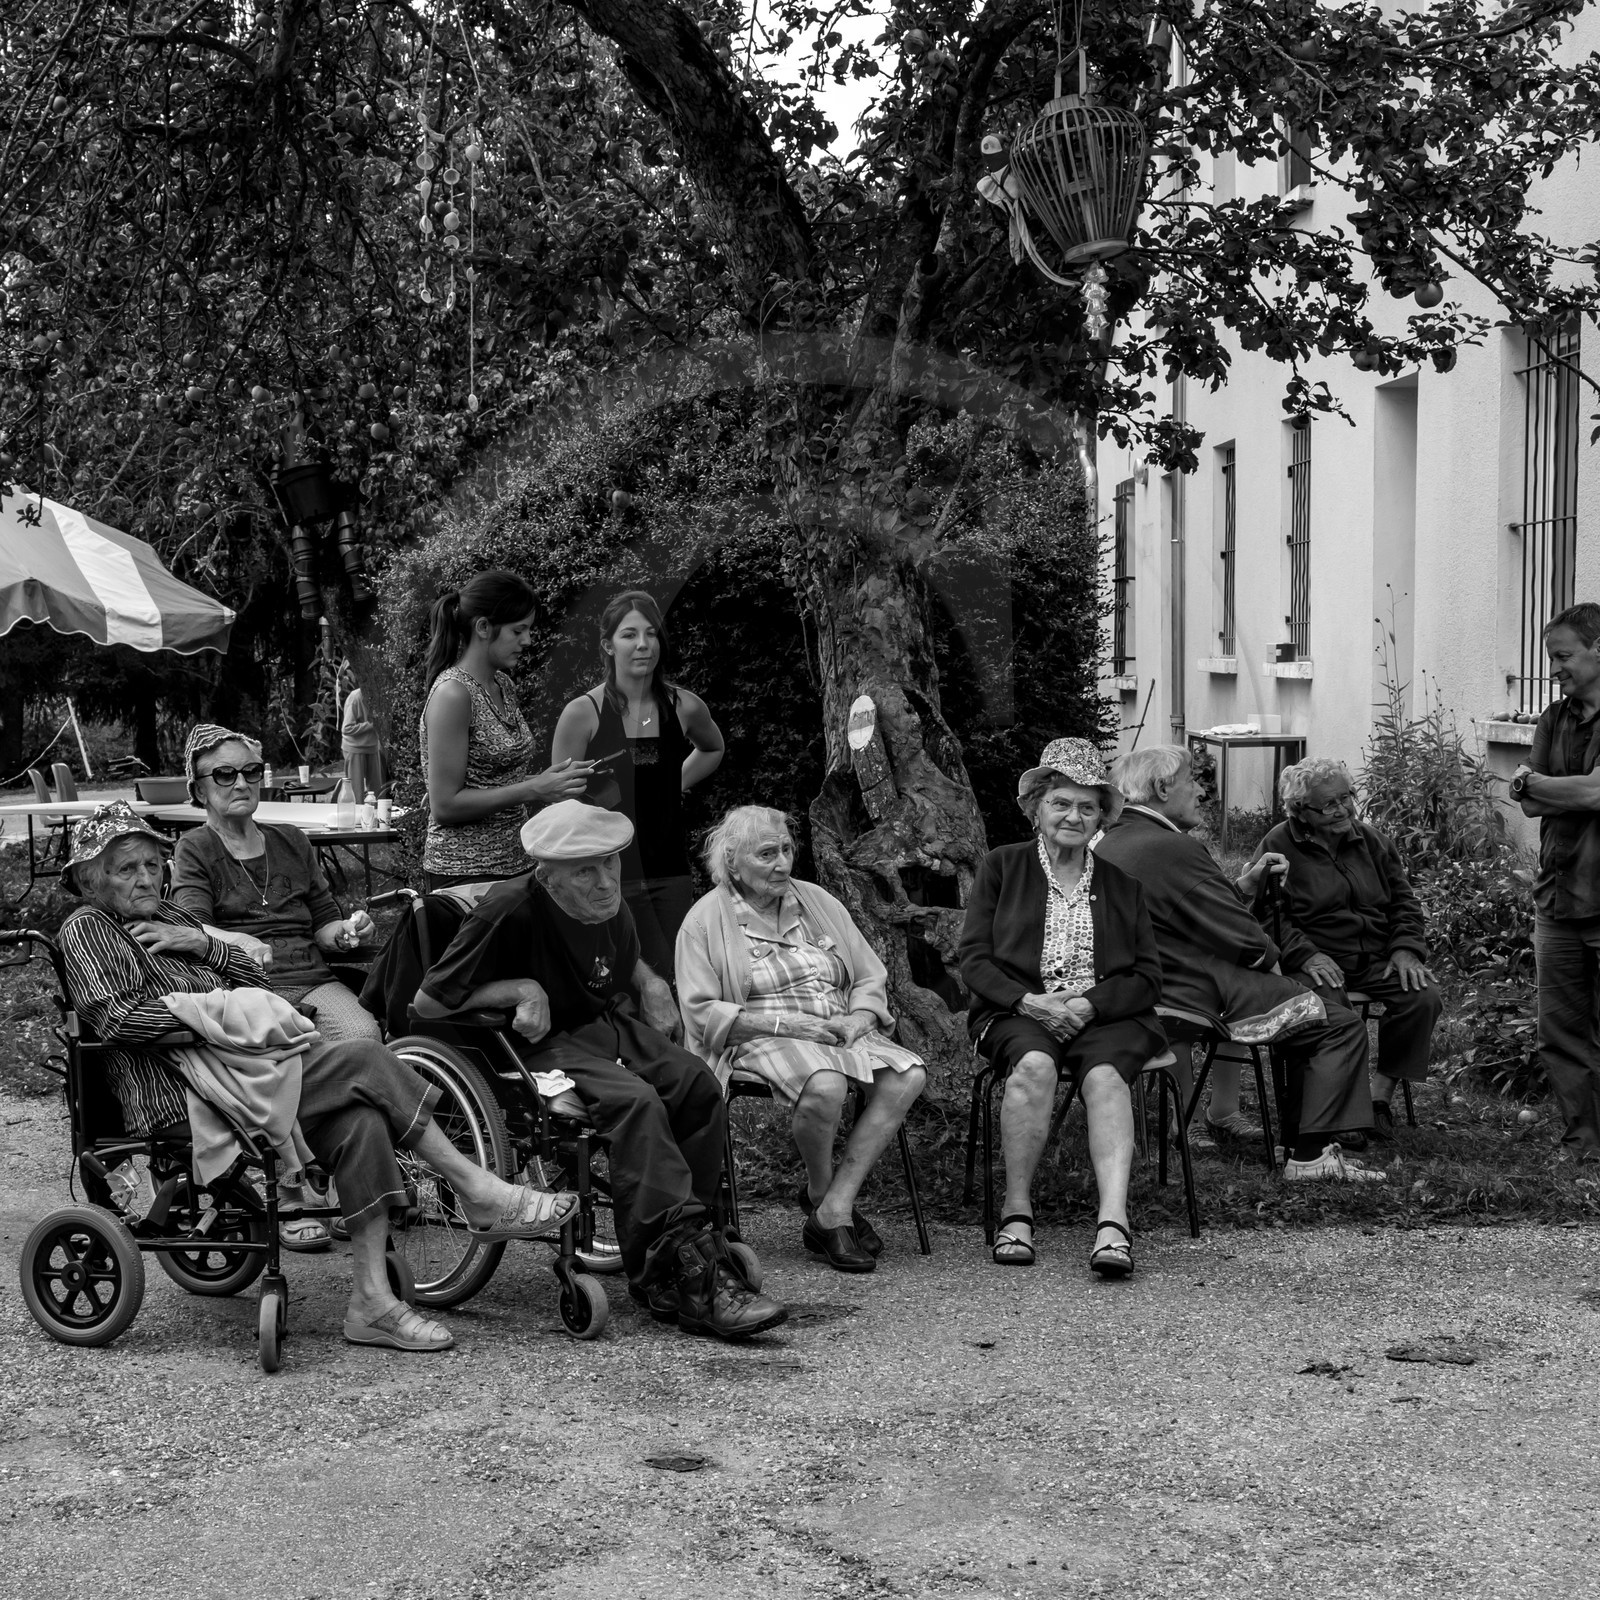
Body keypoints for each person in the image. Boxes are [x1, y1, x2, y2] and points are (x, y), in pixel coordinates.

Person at [57, 801, 579, 1355]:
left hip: (251, 1074)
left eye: (150, 864)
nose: (145, 877)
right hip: (183, 1089)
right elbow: (118, 1016)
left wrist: (204, 944)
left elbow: (256, 970)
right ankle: (475, 1189)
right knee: (364, 1057)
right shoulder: (89, 927)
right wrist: (226, 1019)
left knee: (360, 1122)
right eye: (125, 868)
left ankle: (372, 1303)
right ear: (93, 879)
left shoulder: (171, 917)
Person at [413, 798, 787, 1340]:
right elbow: (429, 1001)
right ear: (547, 875)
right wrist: (521, 987)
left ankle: (687, 1247)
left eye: (610, 862)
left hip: (602, 1023)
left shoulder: (606, 900)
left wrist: (650, 981)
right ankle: (686, 1270)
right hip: (538, 1048)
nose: (606, 879)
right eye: (586, 869)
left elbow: (614, 950)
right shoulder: (508, 910)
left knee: (697, 1084)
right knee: (635, 1103)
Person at [1096, 745, 1385, 1184]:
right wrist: (1272, 963)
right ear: (1160, 788)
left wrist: (1245, 885)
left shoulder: (1116, 838)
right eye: (1193, 780)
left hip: (1144, 985)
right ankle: (1310, 1157)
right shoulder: (1169, 847)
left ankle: (1295, 1138)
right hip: (1192, 989)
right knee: (1337, 1025)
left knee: (1316, 1011)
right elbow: (1239, 934)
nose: (1201, 792)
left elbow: (1191, 910)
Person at [676, 805, 926, 1273]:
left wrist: (861, 1017)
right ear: (732, 862)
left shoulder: (817, 902)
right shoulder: (706, 920)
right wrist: (790, 1027)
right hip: (761, 1032)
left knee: (907, 1074)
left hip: (836, 1027)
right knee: (826, 1083)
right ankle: (820, 1192)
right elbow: (700, 1011)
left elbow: (870, 973)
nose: (783, 863)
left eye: (787, 850)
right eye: (766, 853)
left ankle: (832, 1206)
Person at [170, 723, 385, 1251]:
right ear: (199, 788)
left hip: (311, 976)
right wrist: (241, 942)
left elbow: (324, 925)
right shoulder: (195, 848)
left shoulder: (292, 840)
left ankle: (343, 1183)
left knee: (362, 1036)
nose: (241, 782)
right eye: (224, 774)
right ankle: (286, 1192)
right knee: (284, 1057)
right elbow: (191, 928)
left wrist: (348, 931)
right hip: (246, 985)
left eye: (250, 771)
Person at [957, 739, 1167, 1276]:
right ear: (1037, 808)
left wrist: (1091, 1005)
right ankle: (1017, 1211)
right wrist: (1029, 1001)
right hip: (1018, 1011)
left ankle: (1113, 1225)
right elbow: (974, 959)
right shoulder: (1002, 868)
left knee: (1105, 1078)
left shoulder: (1123, 885)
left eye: (1087, 806)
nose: (1074, 816)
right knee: (1033, 1064)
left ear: (1101, 817)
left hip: (1107, 1017)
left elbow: (1147, 976)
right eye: (1061, 804)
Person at [1254, 757, 1442, 1139]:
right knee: (1331, 1010)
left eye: (1347, 797)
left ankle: (1379, 1098)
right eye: (1329, 804)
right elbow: (1267, 917)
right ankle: (1340, 1114)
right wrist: (1305, 953)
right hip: (1316, 959)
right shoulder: (1277, 845)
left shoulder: (1370, 840)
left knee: (1422, 995)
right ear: (1300, 811)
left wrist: (1405, 949)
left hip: (1375, 957)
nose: (1344, 809)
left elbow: (1403, 903)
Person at [551, 589, 724, 979]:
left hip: (670, 870)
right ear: (608, 646)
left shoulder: (685, 707)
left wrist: (672, 783)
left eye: (651, 633)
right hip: (608, 873)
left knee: (681, 974)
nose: (643, 644)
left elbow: (713, 748)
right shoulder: (583, 714)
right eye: (629, 635)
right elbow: (560, 805)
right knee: (624, 980)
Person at [420, 570, 597, 892]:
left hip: (517, 863)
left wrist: (552, 780)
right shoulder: (453, 694)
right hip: (465, 874)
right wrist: (533, 790)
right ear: (484, 627)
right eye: (519, 630)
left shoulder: (502, 684)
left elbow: (495, 783)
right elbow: (444, 805)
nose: (527, 641)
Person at [1514, 601, 1600, 1160]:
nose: (1555, 669)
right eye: (1552, 658)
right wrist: (1553, 788)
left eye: (1564, 655)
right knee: (1561, 1032)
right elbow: (1526, 803)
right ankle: (1584, 1143)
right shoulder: (1554, 717)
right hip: (1559, 895)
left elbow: (1595, 794)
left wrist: (1545, 786)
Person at [340, 665, 386, 803]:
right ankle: (356, 820)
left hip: (372, 746)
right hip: (354, 748)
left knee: (378, 790)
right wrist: (371, 725)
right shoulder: (356, 698)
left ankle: (378, 818)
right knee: (356, 791)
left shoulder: (380, 697)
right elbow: (346, 728)